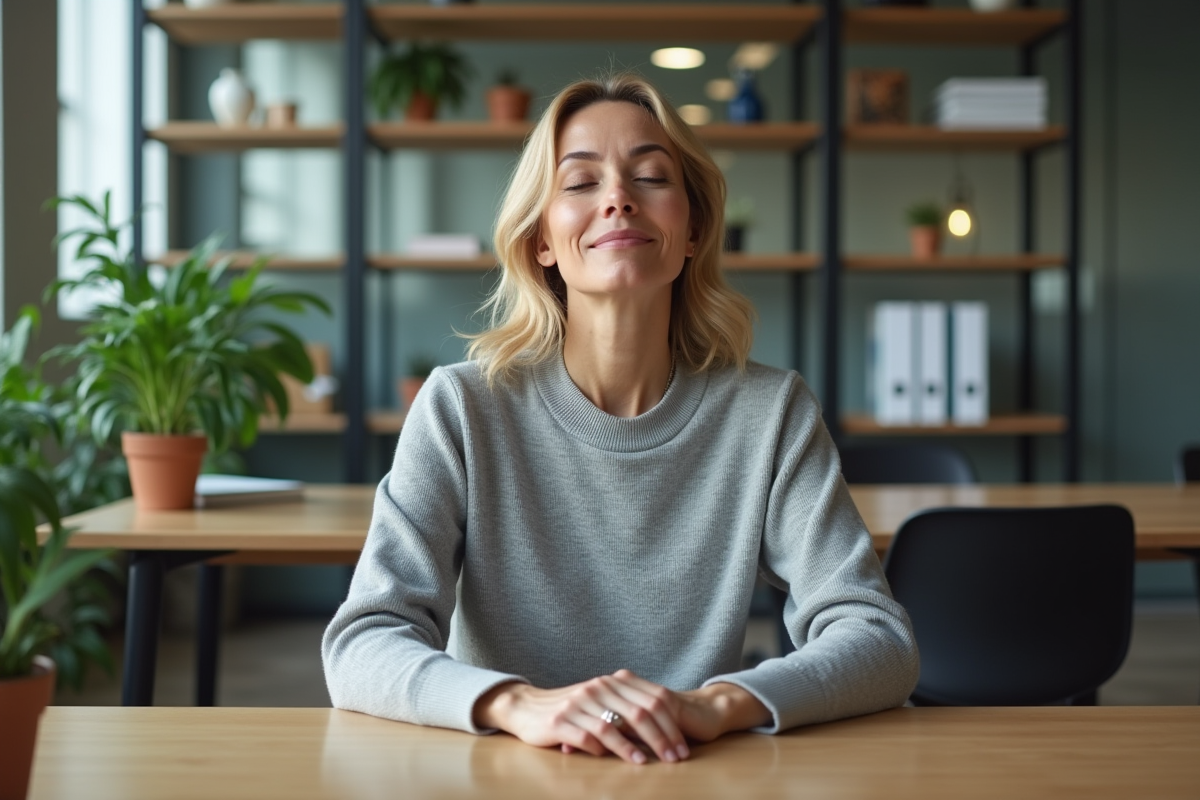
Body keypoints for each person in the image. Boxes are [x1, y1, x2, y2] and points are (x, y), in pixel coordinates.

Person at [322, 72, 919, 765]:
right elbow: (362, 643)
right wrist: (519, 703)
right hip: (503, 772)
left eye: (651, 176)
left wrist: (714, 704)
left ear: (692, 229)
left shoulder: (771, 412)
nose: (618, 199)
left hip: (693, 770)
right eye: (580, 183)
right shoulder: (461, 406)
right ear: (541, 238)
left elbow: (878, 638)